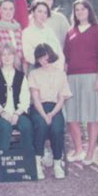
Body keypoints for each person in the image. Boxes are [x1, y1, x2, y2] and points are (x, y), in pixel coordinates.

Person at [64, 0, 98, 165]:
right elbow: (67, 57)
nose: (80, 12)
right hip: (71, 79)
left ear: (89, 11)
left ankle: (90, 153)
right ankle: (78, 149)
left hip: (92, 77)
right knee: (71, 117)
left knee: (92, 117)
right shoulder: (70, 31)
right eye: (76, 10)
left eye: (83, 9)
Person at [29, 44, 72, 179]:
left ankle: (58, 164)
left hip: (55, 108)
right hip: (38, 108)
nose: (44, 60)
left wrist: (52, 114)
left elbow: (62, 98)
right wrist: (44, 115)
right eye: (40, 58)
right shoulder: (33, 74)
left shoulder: (60, 74)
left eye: (45, 56)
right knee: (40, 126)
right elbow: (35, 99)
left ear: (51, 55)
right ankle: (37, 164)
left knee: (57, 128)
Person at [0, 43, 32, 152]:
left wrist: (17, 114)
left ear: (14, 56)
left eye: (9, 54)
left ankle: (25, 159)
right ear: (0, 58)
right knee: (5, 127)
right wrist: (3, 113)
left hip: (17, 113)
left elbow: (25, 98)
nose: (7, 57)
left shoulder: (21, 76)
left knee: (26, 125)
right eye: (3, 55)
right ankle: (3, 160)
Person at [22, 0, 64, 71]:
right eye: (39, 11)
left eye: (45, 12)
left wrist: (59, 68)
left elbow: (59, 51)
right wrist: (41, 61)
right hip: (36, 69)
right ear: (33, 12)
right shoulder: (27, 32)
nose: (43, 15)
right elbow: (27, 54)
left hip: (52, 69)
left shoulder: (50, 31)